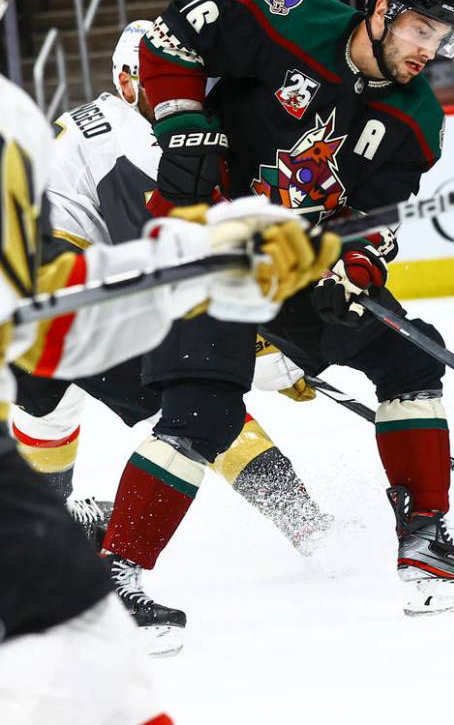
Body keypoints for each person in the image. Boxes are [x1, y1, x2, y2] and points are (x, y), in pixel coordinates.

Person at [98, 0, 454, 625]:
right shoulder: (282, 15)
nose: (430, 52)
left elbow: (370, 218)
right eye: (421, 30)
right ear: (381, 11)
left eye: (442, 38)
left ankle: (424, 546)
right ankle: (120, 579)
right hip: (207, 238)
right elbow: (171, 39)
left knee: (410, 354)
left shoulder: (417, 121)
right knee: (204, 410)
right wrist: (184, 124)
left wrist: (353, 267)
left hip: (294, 261)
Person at [0, 70, 336, 722]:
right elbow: (159, 276)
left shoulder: (50, 120)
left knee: (51, 416)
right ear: (132, 82)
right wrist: (241, 328)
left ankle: (53, 523)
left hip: (49, 311)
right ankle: (304, 523)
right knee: (201, 397)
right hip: (55, 305)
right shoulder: (123, 140)